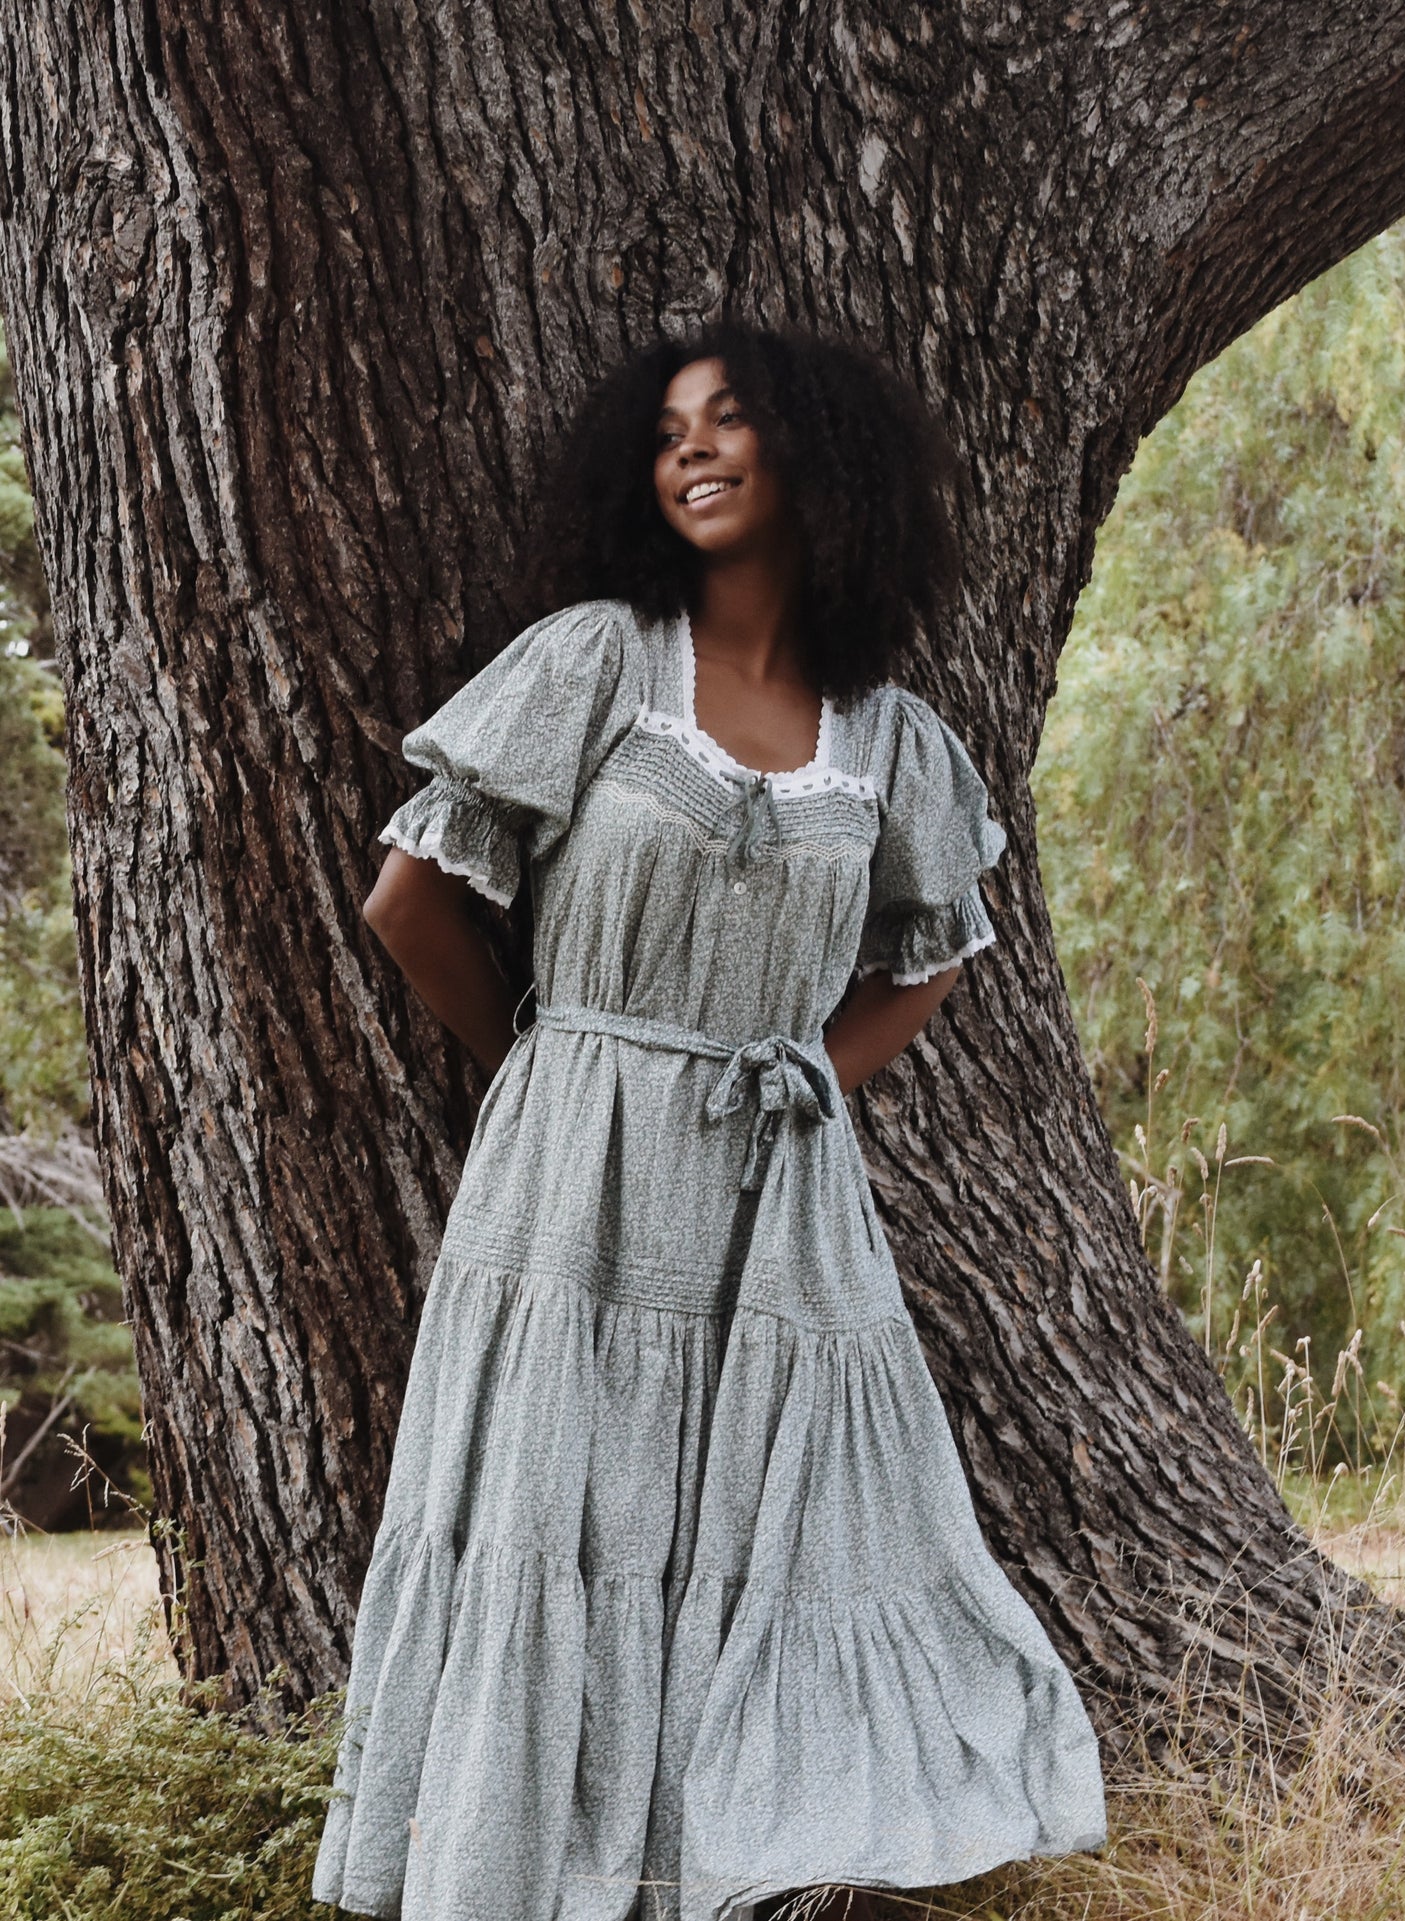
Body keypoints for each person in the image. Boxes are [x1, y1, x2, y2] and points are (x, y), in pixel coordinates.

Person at [310, 318, 1107, 1921]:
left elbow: (935, 954)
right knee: (562, 1506)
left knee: (757, 1523)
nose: (690, 447)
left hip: (777, 1184)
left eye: (727, 419)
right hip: (571, 1171)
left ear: (818, 454)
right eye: (667, 427)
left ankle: (728, 1869)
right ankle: (520, 1866)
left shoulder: (885, 735)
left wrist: (812, 1074)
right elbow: (410, 902)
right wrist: (550, 1062)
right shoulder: (599, 657)